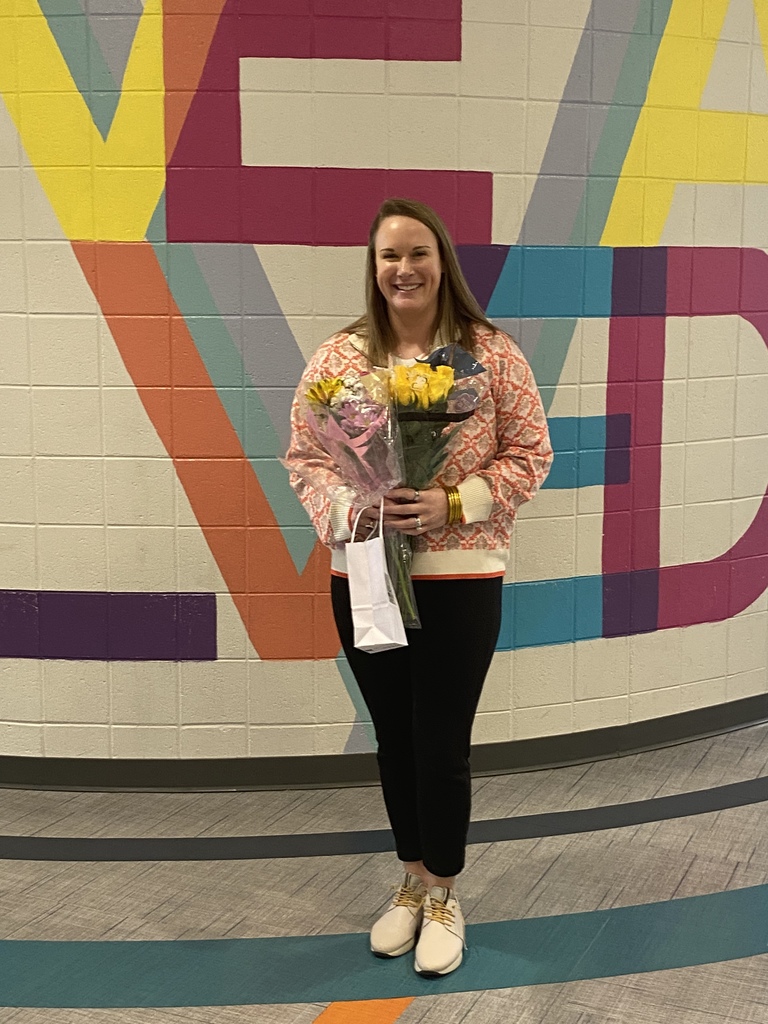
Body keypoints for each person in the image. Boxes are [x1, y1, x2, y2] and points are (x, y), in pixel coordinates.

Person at [285, 197, 553, 977]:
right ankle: (409, 878)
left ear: (443, 264)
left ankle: (445, 890)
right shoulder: (340, 360)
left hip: (460, 579)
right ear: (372, 270)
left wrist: (452, 502)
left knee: (441, 741)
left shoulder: (491, 355)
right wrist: (349, 508)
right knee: (393, 738)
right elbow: (303, 458)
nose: (404, 269)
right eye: (389, 257)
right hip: (363, 575)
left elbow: (531, 454)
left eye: (418, 253)